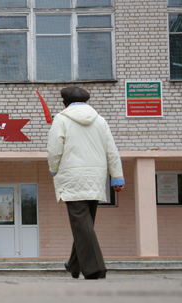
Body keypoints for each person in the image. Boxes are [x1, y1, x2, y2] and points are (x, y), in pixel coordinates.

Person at [47, 86, 125, 280]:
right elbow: (111, 151)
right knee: (84, 225)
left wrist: (54, 169)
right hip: (97, 179)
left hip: (73, 178)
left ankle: (95, 268)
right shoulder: (100, 121)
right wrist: (117, 176)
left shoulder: (62, 119)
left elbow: (54, 149)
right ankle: (74, 264)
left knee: (82, 225)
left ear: (65, 103)